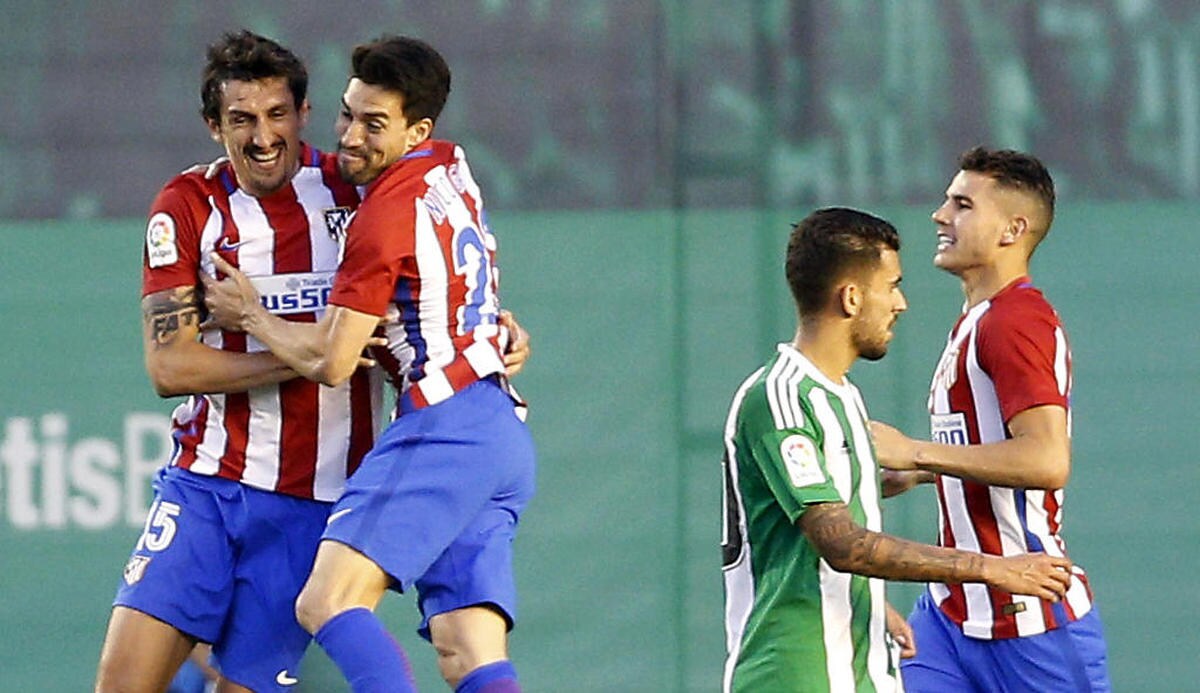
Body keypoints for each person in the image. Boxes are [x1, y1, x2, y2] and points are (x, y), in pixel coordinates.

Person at [93, 30, 531, 693]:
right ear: (214, 126)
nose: (262, 136)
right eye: (241, 119)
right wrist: (323, 353)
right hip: (206, 483)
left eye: (277, 115)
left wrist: (487, 328)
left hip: (315, 496)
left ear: (301, 113)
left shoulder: (358, 192)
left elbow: (424, 286)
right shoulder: (186, 207)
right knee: (123, 683)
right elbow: (171, 368)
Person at [720, 207, 1075, 693]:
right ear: (851, 297)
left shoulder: (839, 394)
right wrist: (993, 569)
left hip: (861, 673)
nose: (901, 303)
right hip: (794, 676)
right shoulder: (780, 398)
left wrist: (865, 600)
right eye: (891, 286)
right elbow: (842, 542)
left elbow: (817, 508)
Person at [870, 146, 1110, 691]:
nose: (940, 215)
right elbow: (991, 443)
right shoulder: (977, 320)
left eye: (962, 204)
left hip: (1030, 621)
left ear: (1011, 230)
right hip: (949, 616)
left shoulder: (1014, 322)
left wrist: (916, 451)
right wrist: (926, 474)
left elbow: (1046, 459)